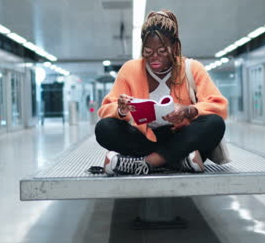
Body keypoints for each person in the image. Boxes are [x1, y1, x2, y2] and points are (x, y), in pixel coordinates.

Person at [95, 10, 227, 176]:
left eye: (162, 51)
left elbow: (218, 105)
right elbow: (106, 109)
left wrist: (189, 111)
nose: (154, 58)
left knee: (215, 123)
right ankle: (179, 160)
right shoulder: (130, 69)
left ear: (174, 47)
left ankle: (146, 163)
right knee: (104, 128)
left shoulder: (192, 68)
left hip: (181, 137)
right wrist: (122, 110)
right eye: (148, 51)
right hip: (145, 138)